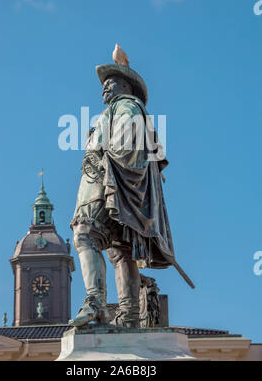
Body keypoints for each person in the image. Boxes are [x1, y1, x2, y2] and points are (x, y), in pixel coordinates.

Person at [69, 63, 194, 328]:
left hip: (107, 182)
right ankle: (129, 315)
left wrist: (105, 165)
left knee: (85, 233)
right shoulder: (116, 110)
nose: (105, 86)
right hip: (115, 183)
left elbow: (128, 144)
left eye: (112, 81)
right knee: (120, 248)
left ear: (126, 86)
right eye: (105, 82)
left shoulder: (125, 105)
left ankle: (96, 303)